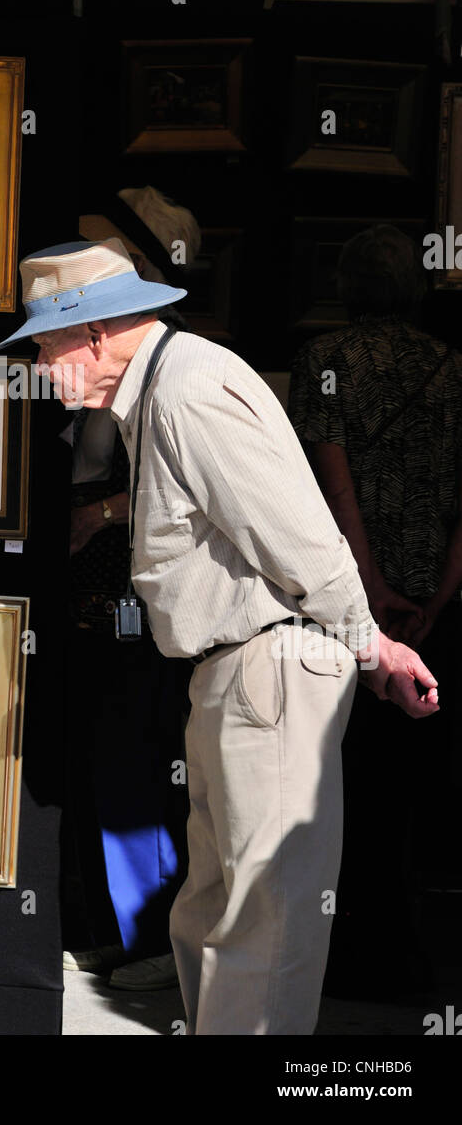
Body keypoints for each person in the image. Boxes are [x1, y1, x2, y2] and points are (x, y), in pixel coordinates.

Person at [0, 236, 439, 1035]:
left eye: (41, 340)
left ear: (94, 333)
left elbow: (299, 539)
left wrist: (371, 648)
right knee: (216, 910)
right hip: (234, 672)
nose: (33, 357)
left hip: (266, 665)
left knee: (258, 921)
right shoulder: (164, 388)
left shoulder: (190, 389)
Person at [287, 224, 462, 992]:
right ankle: (402, 946)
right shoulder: (453, 368)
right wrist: (434, 600)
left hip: (347, 605)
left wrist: (370, 588)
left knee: (336, 774)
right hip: (432, 608)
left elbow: (331, 486)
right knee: (412, 780)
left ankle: (340, 945)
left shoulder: (323, 360)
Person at [62, 195, 198, 990]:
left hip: (134, 600)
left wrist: (101, 514)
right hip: (97, 596)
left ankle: (152, 938)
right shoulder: (111, 365)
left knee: (135, 764)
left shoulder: (174, 368)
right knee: (109, 760)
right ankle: (123, 927)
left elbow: (181, 487)